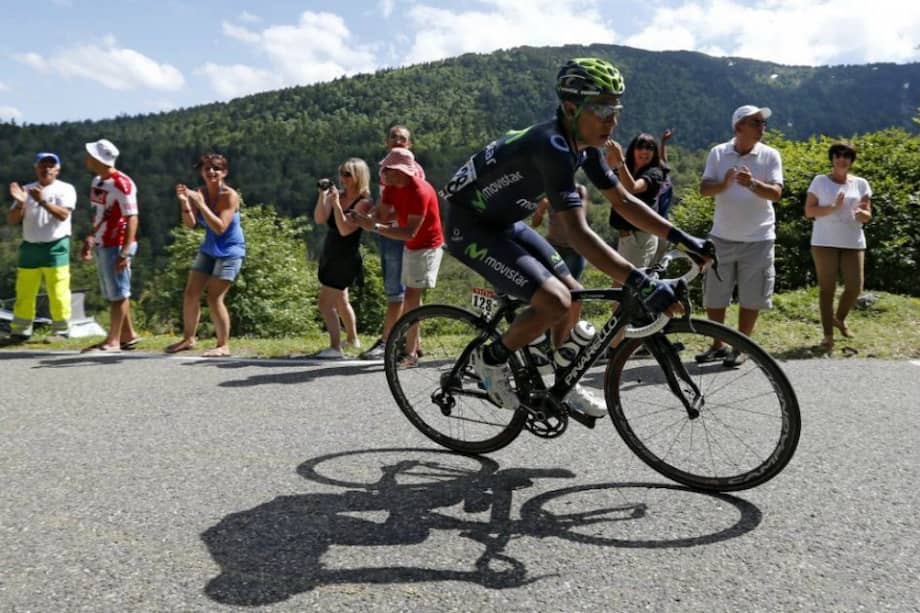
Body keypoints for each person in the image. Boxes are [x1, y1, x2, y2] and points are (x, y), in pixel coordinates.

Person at [439, 57, 712, 417]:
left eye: (616, 109)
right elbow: (578, 234)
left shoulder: (585, 147)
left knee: (574, 294)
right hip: (469, 226)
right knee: (555, 301)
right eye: (602, 109)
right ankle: (490, 359)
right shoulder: (550, 146)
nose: (612, 120)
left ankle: (561, 382)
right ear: (570, 108)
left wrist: (684, 239)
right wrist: (640, 282)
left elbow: (624, 201)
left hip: (504, 222)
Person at [697, 105, 784, 367]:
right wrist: (724, 184)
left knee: (752, 295)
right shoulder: (719, 153)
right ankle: (717, 345)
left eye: (762, 122)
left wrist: (753, 184)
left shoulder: (770, 155)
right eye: (755, 122)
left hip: (759, 238)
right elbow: (704, 189)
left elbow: (776, 193)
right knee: (716, 294)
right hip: (722, 237)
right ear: (738, 127)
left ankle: (741, 347)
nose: (762, 127)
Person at [351, 147, 444, 366]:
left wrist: (374, 226)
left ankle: (410, 353)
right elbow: (382, 215)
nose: (384, 172)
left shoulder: (420, 191)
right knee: (411, 297)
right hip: (411, 246)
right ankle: (414, 346)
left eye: (388, 169)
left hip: (427, 246)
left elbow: (409, 232)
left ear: (401, 171)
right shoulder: (392, 187)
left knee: (411, 297)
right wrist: (366, 217)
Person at [165, 153, 246, 358]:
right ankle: (189, 339)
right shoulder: (200, 192)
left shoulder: (229, 195)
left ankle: (223, 345)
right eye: (207, 168)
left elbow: (220, 227)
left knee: (214, 297)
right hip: (209, 249)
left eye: (216, 168)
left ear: (224, 172)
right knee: (191, 293)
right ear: (202, 172)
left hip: (230, 252)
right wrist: (185, 202)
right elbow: (191, 224)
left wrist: (201, 204)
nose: (211, 171)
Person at [359, 125, 426, 360]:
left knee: (398, 291)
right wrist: (372, 215)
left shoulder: (413, 170)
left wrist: (378, 220)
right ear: (386, 142)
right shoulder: (385, 169)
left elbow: (410, 206)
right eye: (393, 137)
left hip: (403, 233)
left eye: (402, 138)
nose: (398, 140)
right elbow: (386, 202)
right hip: (391, 232)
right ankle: (413, 342)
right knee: (406, 290)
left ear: (410, 144)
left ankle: (387, 341)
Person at [804, 141, 872, 352]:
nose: (842, 159)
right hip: (824, 241)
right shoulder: (820, 181)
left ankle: (839, 319)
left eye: (847, 156)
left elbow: (867, 215)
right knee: (827, 289)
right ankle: (828, 336)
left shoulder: (861, 183)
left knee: (855, 286)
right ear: (832, 159)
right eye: (838, 155)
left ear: (851, 161)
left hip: (853, 241)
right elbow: (809, 211)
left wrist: (862, 214)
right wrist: (833, 208)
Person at [4, 152, 77, 343]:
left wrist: (41, 200)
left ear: (57, 170)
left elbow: (63, 215)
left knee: (58, 290)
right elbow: (12, 220)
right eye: (42, 165)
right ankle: (20, 331)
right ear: (36, 168)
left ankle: (61, 331)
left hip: (56, 245)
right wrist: (20, 203)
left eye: (51, 166)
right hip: (30, 246)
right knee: (25, 291)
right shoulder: (26, 190)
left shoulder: (66, 189)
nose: (47, 169)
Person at [80, 138, 140, 353]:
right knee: (114, 291)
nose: (86, 158)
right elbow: (100, 213)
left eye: (90, 155)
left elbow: (132, 217)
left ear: (98, 159)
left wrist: (125, 251)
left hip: (117, 244)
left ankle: (113, 340)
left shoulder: (122, 184)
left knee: (119, 293)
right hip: (103, 242)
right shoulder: (97, 181)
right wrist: (92, 237)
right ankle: (128, 335)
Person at [310, 158, 374, 359]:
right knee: (341, 300)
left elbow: (345, 229)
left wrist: (337, 204)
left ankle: (335, 348)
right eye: (341, 173)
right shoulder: (338, 195)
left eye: (347, 174)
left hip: (345, 257)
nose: (342, 178)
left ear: (358, 177)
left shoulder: (364, 202)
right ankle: (352, 339)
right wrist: (323, 196)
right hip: (331, 252)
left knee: (325, 304)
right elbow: (320, 218)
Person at [606, 133, 668, 270]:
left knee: (627, 280)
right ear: (633, 149)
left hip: (640, 238)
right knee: (622, 280)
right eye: (640, 147)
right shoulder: (626, 170)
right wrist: (611, 154)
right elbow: (609, 172)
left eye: (650, 148)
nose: (645, 151)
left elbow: (632, 188)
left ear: (655, 152)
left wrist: (620, 160)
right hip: (627, 238)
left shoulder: (654, 173)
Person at [530, 184, 589, 281]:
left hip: (575, 250)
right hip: (552, 248)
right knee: (547, 282)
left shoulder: (579, 190)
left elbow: (581, 214)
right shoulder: (547, 192)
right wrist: (540, 210)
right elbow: (535, 223)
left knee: (571, 286)